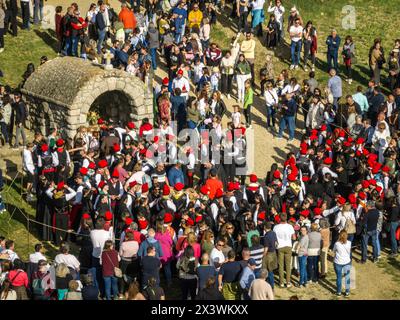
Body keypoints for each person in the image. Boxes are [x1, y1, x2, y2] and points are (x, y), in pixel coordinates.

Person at [274, 213, 295, 288]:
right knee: (288, 265)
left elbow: (274, 239)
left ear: (279, 218)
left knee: (281, 265)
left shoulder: (276, 227)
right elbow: (294, 238)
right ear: (286, 218)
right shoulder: (290, 226)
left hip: (280, 246)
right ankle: (288, 282)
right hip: (288, 246)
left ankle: (281, 282)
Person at [333, 230, 352, 296]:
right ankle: (347, 292)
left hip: (338, 262)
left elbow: (334, 251)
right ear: (347, 236)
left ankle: (339, 292)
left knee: (339, 277)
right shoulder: (349, 243)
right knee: (347, 277)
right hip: (347, 261)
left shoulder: (336, 244)